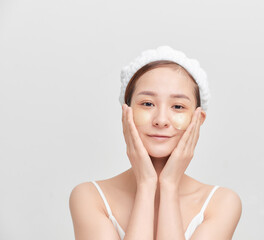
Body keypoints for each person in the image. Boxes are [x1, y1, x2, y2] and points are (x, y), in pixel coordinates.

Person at [69, 46, 242, 240]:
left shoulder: (221, 203)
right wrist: (146, 184)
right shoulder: (89, 197)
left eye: (178, 106)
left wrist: (168, 186)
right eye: (147, 104)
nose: (161, 120)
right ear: (126, 113)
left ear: (198, 119)